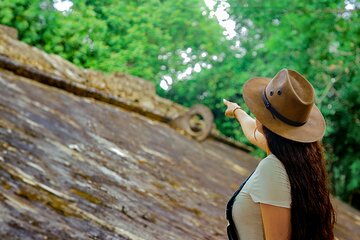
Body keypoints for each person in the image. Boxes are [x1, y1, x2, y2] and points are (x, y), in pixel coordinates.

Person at [223, 69, 336, 240]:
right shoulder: (297, 159)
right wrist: (237, 111)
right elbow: (254, 132)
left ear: (262, 119)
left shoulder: (272, 170)